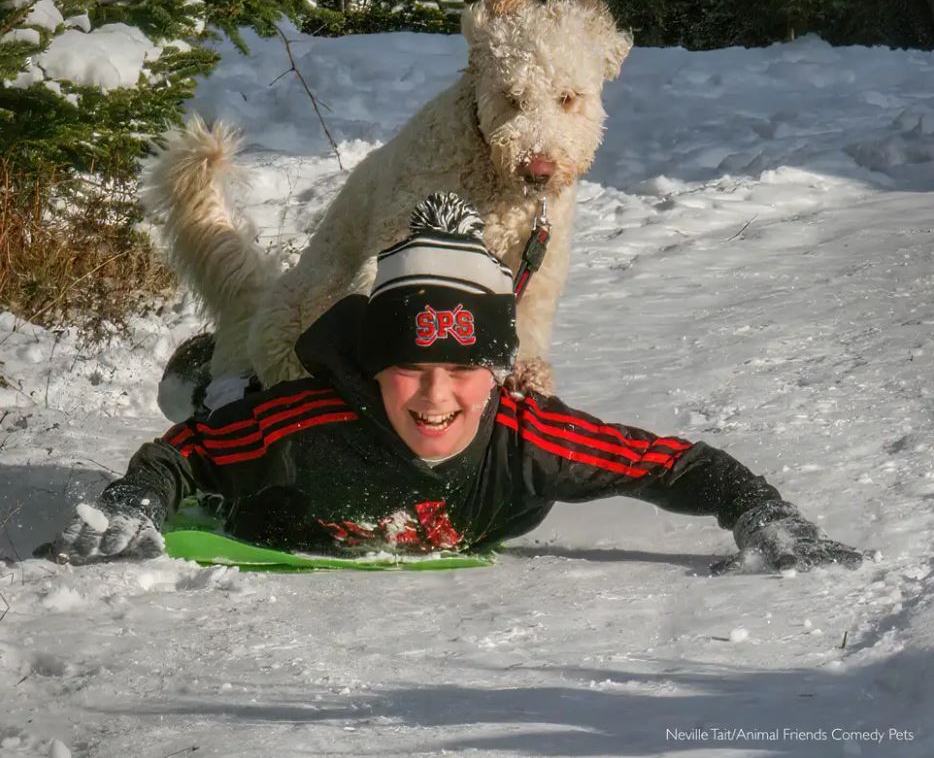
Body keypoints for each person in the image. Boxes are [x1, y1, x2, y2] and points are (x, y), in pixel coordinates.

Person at [40, 193, 867, 574]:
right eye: (412, 369)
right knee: (218, 400)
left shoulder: (525, 436)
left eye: (462, 372)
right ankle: (206, 371)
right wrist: (136, 501)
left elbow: (669, 462)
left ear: (498, 373)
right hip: (266, 466)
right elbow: (182, 454)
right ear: (374, 369)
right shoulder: (308, 422)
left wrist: (761, 510)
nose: (437, 397)